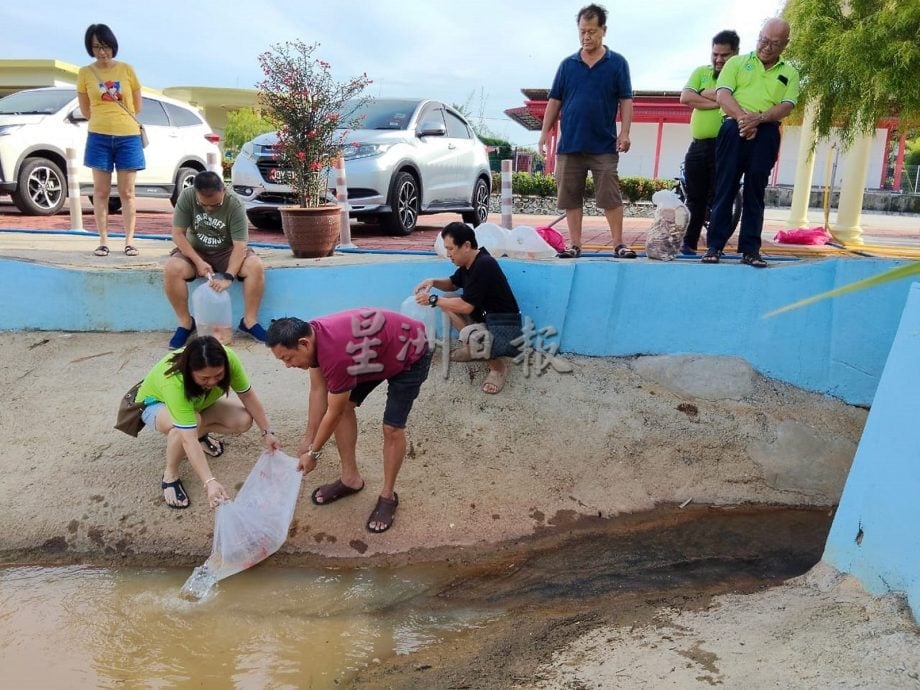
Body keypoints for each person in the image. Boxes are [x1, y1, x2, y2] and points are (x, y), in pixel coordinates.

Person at [266, 310, 432, 533]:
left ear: (303, 344)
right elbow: (318, 391)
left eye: (288, 358)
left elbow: (331, 413)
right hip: (374, 353)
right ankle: (350, 479)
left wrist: (314, 453)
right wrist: (309, 439)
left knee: (391, 428)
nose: (288, 365)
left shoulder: (335, 356)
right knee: (344, 406)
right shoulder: (313, 338)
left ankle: (388, 496)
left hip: (410, 351)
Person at [135, 335, 280, 509]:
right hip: (154, 406)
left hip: (197, 404)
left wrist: (267, 432)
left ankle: (200, 434)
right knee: (187, 428)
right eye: (204, 378)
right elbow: (188, 439)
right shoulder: (174, 384)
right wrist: (209, 482)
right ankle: (170, 475)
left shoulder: (228, 358)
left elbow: (247, 395)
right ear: (189, 371)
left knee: (244, 420)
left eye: (218, 375)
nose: (212, 382)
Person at [538, 4, 636, 260]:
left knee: (610, 197)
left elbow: (626, 100)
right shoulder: (567, 65)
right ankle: (575, 245)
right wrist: (543, 133)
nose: (586, 37)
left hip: (604, 145)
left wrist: (624, 133)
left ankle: (618, 244)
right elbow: (554, 101)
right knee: (570, 197)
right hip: (570, 144)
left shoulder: (617, 64)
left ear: (603, 30)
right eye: (582, 31)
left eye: (592, 31)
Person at [703, 18, 800, 267]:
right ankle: (714, 246)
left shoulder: (789, 73)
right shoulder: (737, 62)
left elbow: (787, 106)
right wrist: (743, 119)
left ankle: (750, 249)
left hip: (766, 131)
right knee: (725, 187)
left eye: (774, 44)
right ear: (758, 36)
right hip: (733, 126)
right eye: (763, 40)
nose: (766, 47)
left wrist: (760, 119)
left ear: (785, 45)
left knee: (755, 191)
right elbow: (723, 94)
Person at [414, 222, 521, 395]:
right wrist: (433, 281)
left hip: (504, 328)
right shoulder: (468, 264)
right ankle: (474, 350)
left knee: (467, 331)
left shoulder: (484, 264)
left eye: (451, 249)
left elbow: (465, 307)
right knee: (447, 301)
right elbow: (452, 285)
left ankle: (497, 368)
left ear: (466, 245)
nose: (448, 254)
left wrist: (433, 299)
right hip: (486, 319)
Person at [165, 171, 268, 348]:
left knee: (255, 265)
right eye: (204, 205)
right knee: (172, 268)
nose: (209, 209)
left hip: (226, 252)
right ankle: (186, 323)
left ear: (223, 190)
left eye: (215, 205)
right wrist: (198, 261)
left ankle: (249, 321)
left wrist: (228, 277)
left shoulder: (234, 203)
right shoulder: (187, 196)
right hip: (195, 251)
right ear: (196, 193)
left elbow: (240, 246)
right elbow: (178, 234)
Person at [76, 23, 144, 258]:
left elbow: (137, 104)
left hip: (128, 137)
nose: (102, 52)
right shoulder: (85, 73)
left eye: (105, 46)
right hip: (99, 136)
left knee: (127, 192)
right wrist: (103, 120)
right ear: (90, 48)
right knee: (101, 192)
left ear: (113, 46)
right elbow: (86, 110)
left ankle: (129, 241)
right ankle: (103, 240)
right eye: (96, 47)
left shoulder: (127, 69)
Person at [678, 30, 741, 256]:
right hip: (697, 147)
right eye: (715, 54)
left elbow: (740, 99)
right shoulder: (701, 72)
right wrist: (722, 100)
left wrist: (705, 95)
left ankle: (715, 247)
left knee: (720, 197)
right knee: (695, 198)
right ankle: (689, 243)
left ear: (735, 53)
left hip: (724, 146)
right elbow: (686, 97)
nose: (718, 59)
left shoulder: (739, 76)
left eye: (724, 55)